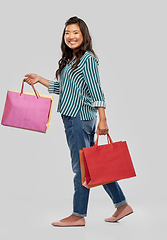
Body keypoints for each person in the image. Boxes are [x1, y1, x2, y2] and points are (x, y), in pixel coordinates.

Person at [24, 16, 133, 227]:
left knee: (81, 169)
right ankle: (121, 205)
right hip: (75, 118)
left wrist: (103, 119)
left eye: (75, 32)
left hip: (79, 119)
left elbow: (97, 90)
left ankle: (78, 214)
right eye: (67, 33)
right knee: (91, 166)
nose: (71, 36)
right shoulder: (72, 60)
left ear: (83, 35)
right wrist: (40, 79)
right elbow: (65, 90)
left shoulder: (87, 60)